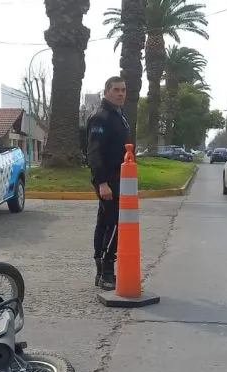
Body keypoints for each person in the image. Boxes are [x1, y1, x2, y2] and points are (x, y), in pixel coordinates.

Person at [85, 76, 130, 290]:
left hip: (119, 177)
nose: (121, 93)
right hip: (107, 178)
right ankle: (106, 272)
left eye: (123, 90)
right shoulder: (101, 118)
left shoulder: (118, 115)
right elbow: (94, 153)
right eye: (116, 90)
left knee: (105, 222)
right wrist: (102, 183)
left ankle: (101, 271)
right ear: (106, 92)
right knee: (114, 224)